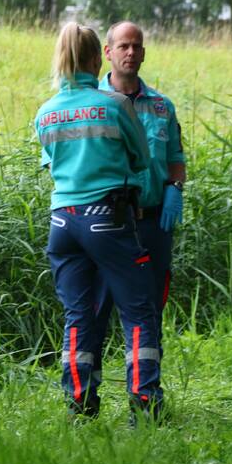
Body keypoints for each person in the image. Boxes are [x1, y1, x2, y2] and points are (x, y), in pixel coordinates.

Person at [34, 22, 161, 425]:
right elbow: (142, 160)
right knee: (139, 311)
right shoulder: (115, 106)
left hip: (62, 223)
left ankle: (79, 405)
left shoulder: (45, 112)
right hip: (107, 218)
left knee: (79, 315)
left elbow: (51, 165)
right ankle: (145, 404)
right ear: (96, 57)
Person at [93, 21, 188, 421]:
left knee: (148, 313)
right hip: (105, 225)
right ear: (107, 52)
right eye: (123, 46)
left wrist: (174, 190)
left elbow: (176, 160)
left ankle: (146, 402)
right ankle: (84, 403)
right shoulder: (90, 101)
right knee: (94, 313)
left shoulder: (162, 107)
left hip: (152, 225)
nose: (130, 52)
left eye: (137, 46)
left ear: (144, 53)